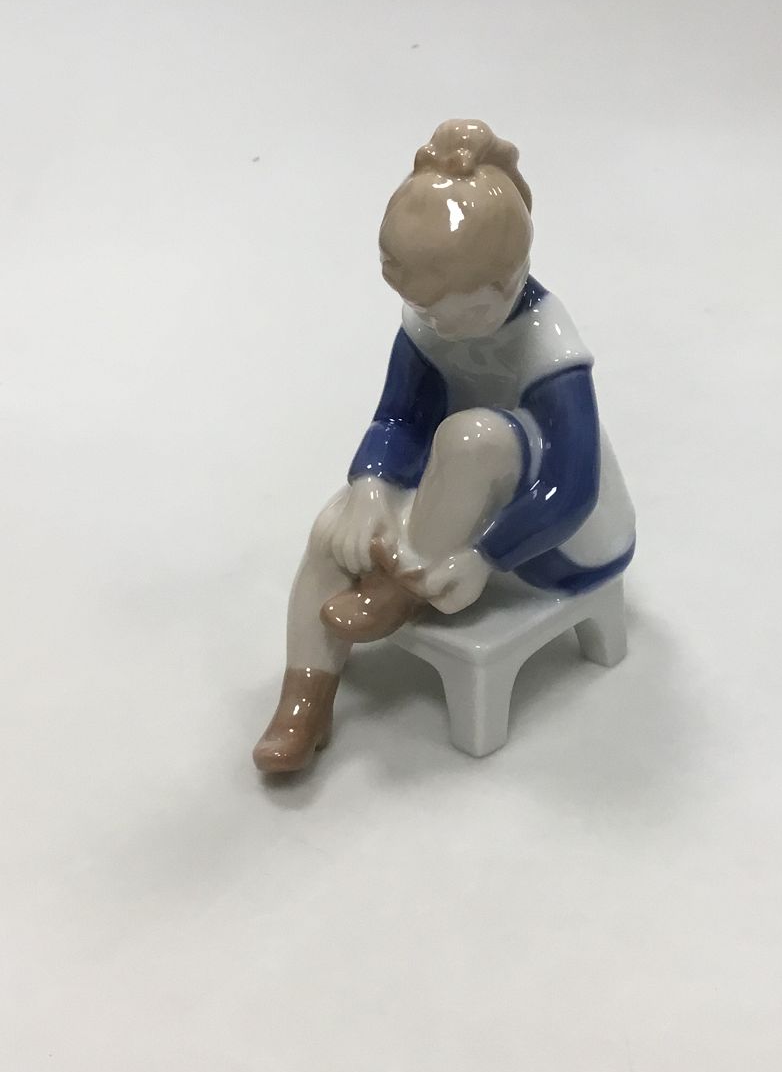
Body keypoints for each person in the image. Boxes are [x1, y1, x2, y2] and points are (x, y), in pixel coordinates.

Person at [253, 119, 635, 773]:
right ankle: (304, 698)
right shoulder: (432, 322)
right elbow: (401, 418)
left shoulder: (550, 349)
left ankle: (400, 583)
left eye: (452, 311)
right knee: (331, 527)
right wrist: (371, 488)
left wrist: (487, 556)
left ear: (507, 284)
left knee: (472, 435)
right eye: (423, 309)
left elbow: (571, 486)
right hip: (457, 497)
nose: (436, 324)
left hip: (554, 536)